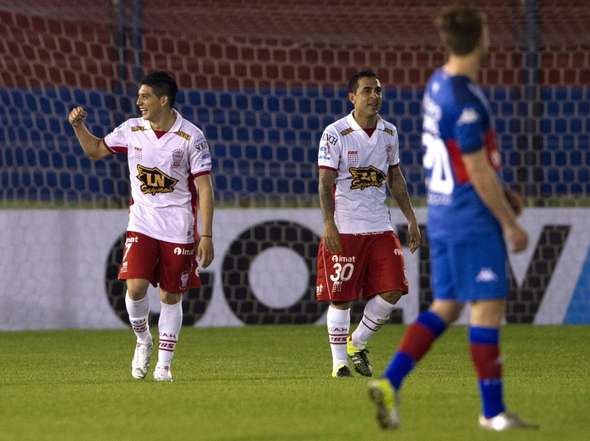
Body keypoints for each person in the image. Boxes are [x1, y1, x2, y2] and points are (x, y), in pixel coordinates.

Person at [367, 6, 537, 431]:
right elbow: (476, 170)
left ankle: (389, 382)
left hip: (442, 215)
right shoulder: (466, 99)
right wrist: (509, 222)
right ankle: (493, 412)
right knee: (487, 308)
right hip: (470, 219)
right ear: (482, 38)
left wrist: (502, 191)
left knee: (447, 306)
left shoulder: (437, 84)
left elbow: (462, 158)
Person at [68, 71, 214, 382]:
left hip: (179, 227)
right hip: (142, 223)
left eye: (145, 96)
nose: (139, 102)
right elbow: (95, 150)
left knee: (171, 296)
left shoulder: (192, 136)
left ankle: (164, 365)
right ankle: (143, 339)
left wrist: (207, 234)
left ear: (164, 100)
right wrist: (79, 127)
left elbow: (204, 188)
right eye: (138, 96)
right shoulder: (131, 129)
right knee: (135, 287)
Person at [316, 69, 421, 378]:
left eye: (378, 90)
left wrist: (411, 219)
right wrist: (328, 223)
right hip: (346, 227)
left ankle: (357, 341)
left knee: (395, 288)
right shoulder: (335, 133)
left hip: (380, 227)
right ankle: (339, 365)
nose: (374, 96)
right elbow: (325, 182)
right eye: (367, 91)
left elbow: (395, 178)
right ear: (352, 97)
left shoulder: (389, 132)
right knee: (342, 298)